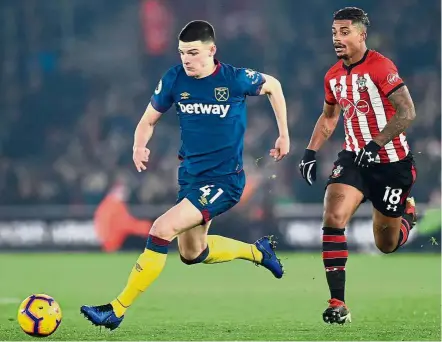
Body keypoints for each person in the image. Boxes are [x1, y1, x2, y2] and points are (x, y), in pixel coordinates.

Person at [81, 20, 290, 330]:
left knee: (161, 228)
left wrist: (283, 134)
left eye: (193, 53)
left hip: (224, 181)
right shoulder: (175, 79)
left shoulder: (234, 79)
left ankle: (116, 309)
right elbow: (147, 121)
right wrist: (139, 145)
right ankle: (257, 252)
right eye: (182, 53)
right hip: (191, 178)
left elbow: (273, 85)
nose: (186, 59)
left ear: (211, 50)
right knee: (192, 253)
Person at [299, 7, 417, 324]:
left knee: (387, 244)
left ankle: (407, 214)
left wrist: (376, 143)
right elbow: (329, 117)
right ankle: (338, 304)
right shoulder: (333, 76)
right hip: (354, 159)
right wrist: (310, 152)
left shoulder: (381, 67)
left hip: (392, 163)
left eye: (345, 32)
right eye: (334, 32)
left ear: (361, 35)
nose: (337, 38)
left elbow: (407, 113)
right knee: (333, 217)